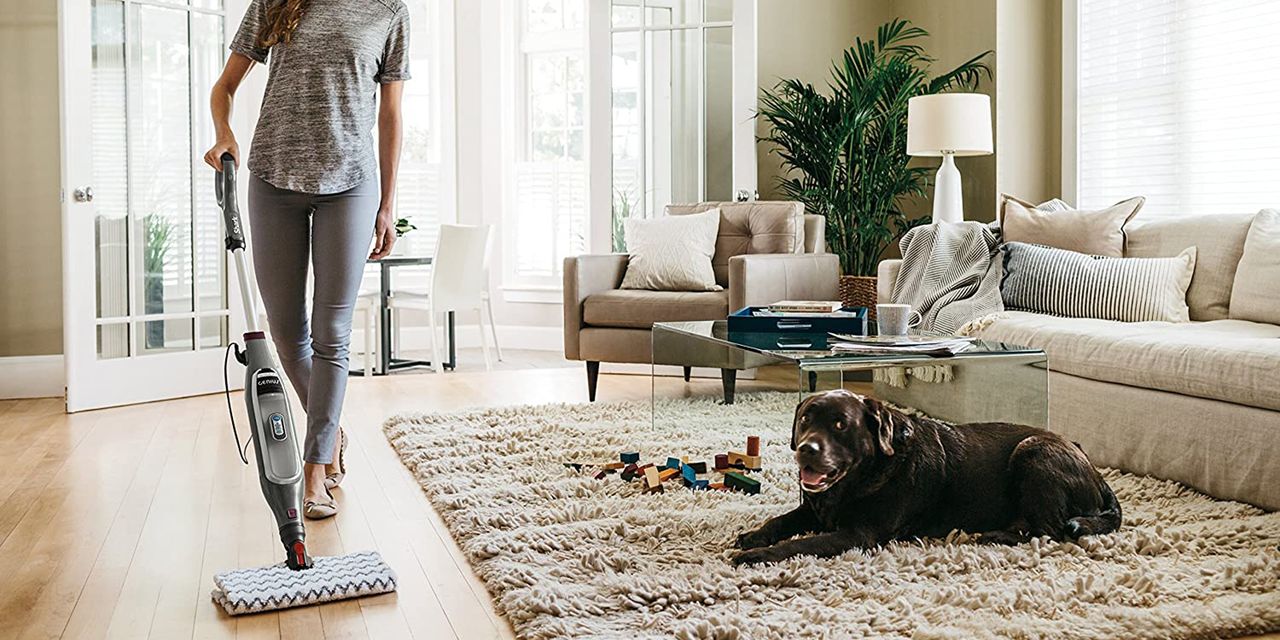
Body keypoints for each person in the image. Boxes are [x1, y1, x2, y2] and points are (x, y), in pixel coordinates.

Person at [203, 0, 409, 519]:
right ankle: (332, 431)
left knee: (331, 331)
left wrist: (387, 203)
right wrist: (224, 134)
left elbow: (390, 113)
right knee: (286, 331)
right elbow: (224, 86)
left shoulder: (389, 11)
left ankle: (315, 469)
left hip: (350, 183)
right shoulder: (275, 1)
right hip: (272, 177)